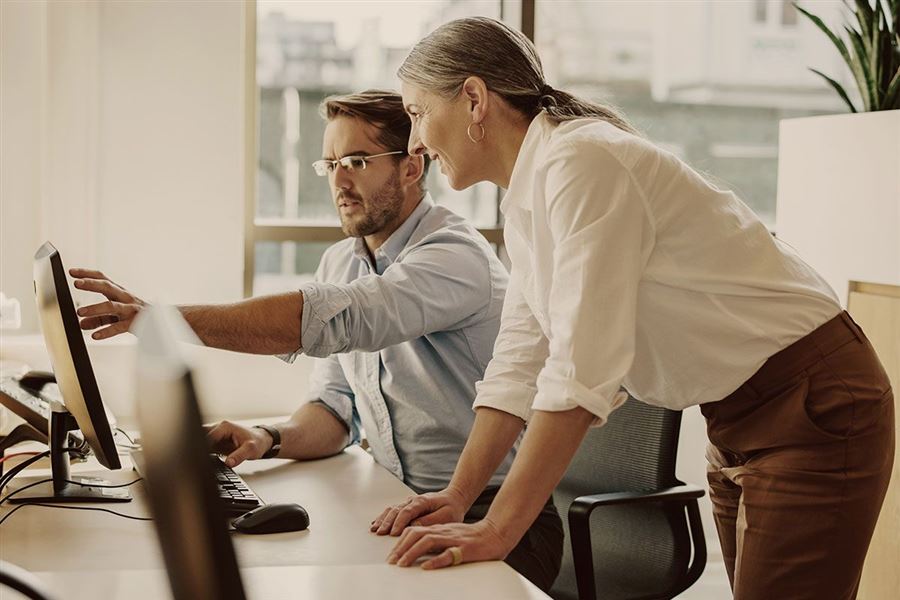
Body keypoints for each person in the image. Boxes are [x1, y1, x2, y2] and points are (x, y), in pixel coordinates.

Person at [373, 17, 895, 600]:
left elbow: (579, 372)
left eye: (417, 113)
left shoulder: (583, 163)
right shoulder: (529, 199)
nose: (415, 140)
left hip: (811, 400)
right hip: (738, 414)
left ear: (473, 99)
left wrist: (500, 527)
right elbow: (520, 362)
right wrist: (458, 497)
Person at [71, 90, 563, 592]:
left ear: (412, 167)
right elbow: (336, 409)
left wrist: (158, 319)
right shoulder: (342, 261)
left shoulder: (454, 256)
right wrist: (269, 438)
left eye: (356, 161)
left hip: (496, 517)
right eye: (329, 164)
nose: (339, 181)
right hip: (397, 504)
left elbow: (336, 321)